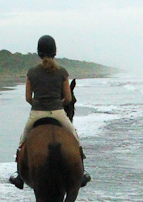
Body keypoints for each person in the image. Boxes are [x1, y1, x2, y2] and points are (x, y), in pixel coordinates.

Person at [9, 35, 90, 189]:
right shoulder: (62, 72)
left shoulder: (32, 72)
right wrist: (57, 105)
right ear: (55, 52)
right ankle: (82, 172)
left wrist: (38, 104)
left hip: (37, 113)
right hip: (58, 112)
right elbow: (67, 98)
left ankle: (18, 174)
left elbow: (27, 98)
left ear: (39, 53)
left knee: (23, 139)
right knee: (74, 137)